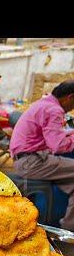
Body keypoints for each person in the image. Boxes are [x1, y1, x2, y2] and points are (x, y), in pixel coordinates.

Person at [10, 80, 74, 230]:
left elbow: (53, 134)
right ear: (70, 97)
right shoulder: (54, 110)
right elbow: (58, 145)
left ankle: (68, 229)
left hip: (25, 159)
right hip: (32, 161)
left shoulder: (44, 103)